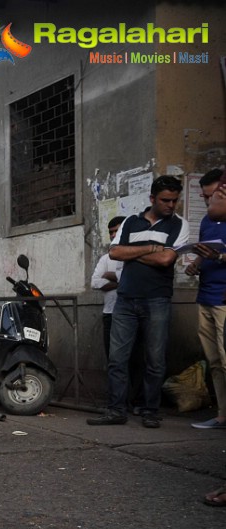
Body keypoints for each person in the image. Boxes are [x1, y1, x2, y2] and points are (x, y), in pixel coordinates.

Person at [87, 175, 189, 429]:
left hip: (157, 299)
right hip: (126, 300)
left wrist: (134, 253)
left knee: (155, 359)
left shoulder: (179, 225)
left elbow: (167, 260)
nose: (171, 205)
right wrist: (153, 248)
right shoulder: (131, 222)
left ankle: (150, 411)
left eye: (175, 200)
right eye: (165, 200)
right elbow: (114, 252)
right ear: (152, 199)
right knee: (117, 358)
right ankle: (116, 410)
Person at [185, 169, 226, 430]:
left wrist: (219, 257)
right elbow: (206, 248)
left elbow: (218, 253)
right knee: (214, 361)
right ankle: (223, 415)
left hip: (224, 299)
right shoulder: (207, 221)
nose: (206, 200)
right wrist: (196, 262)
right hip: (206, 296)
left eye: (210, 196)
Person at [91, 216, 127, 358]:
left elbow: (133, 279)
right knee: (111, 355)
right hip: (110, 314)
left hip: (130, 315)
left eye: (116, 231)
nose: (113, 235)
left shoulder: (136, 256)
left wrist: (110, 276)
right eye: (110, 232)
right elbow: (95, 282)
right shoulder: (105, 259)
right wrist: (120, 283)